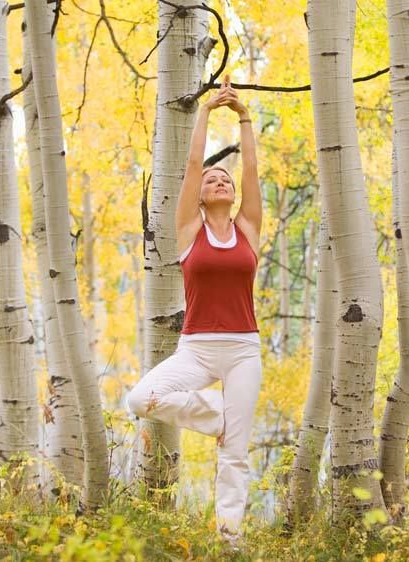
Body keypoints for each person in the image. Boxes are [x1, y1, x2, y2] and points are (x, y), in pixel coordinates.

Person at [127, 76, 262, 545]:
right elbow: (189, 167)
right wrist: (206, 111)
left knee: (235, 452)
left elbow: (250, 174)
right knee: (140, 399)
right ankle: (215, 413)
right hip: (196, 349)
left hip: (244, 349)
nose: (220, 180)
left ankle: (230, 538)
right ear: (201, 196)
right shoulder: (189, 231)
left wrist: (243, 117)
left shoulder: (247, 229)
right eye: (212, 179)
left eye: (223, 178)